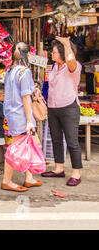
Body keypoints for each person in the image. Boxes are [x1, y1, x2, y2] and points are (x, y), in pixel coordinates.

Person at [2, 42, 43, 192]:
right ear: (28, 55)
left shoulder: (9, 70)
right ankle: (6, 180)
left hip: (12, 113)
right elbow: (26, 98)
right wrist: (28, 121)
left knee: (31, 143)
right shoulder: (24, 72)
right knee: (15, 148)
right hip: (21, 115)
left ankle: (29, 177)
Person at [41, 37, 82, 186]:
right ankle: (58, 169)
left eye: (55, 52)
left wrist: (66, 44)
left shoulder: (73, 66)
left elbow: (70, 60)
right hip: (53, 107)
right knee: (56, 139)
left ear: (64, 53)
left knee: (72, 142)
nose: (52, 54)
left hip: (69, 107)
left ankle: (76, 173)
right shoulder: (53, 67)